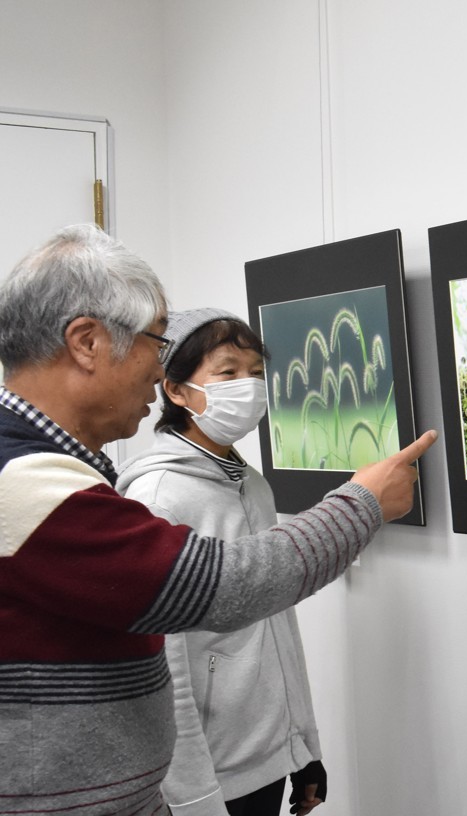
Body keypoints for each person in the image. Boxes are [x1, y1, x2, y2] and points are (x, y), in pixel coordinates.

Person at [0, 225, 436, 816]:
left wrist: (299, 745)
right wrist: (362, 503)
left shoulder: (71, 474)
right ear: (87, 342)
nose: (157, 368)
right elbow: (221, 587)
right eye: (155, 340)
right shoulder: (26, 482)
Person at [117, 310, 325, 816]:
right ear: (176, 390)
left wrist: (303, 748)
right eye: (228, 372)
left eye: (256, 372)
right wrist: (193, 796)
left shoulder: (251, 483)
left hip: (269, 757)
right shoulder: (158, 497)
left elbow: (278, 622)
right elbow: (161, 665)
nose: (248, 386)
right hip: (210, 776)